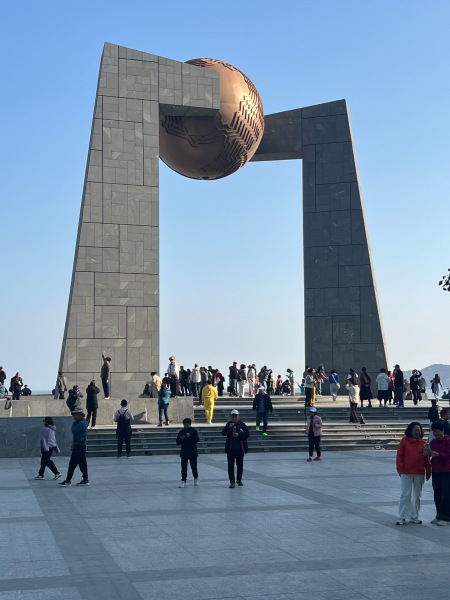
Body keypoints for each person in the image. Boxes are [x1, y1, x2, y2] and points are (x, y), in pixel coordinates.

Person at [395, 422, 431, 525]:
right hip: (406, 472)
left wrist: (428, 471)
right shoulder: (404, 441)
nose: (417, 432)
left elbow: (427, 459)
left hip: (419, 472)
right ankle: (401, 517)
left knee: (417, 495)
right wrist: (399, 467)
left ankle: (414, 516)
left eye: (418, 430)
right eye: (415, 430)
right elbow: (399, 455)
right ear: (410, 431)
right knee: (405, 494)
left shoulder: (423, 443)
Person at [425, 421, 450, 525]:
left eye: (437, 431)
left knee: (446, 495)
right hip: (436, 471)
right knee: (437, 493)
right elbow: (429, 455)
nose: (435, 433)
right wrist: (427, 452)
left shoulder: (448, 441)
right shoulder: (433, 442)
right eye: (434, 431)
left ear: (442, 430)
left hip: (447, 471)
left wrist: (439, 455)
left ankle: (447, 518)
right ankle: (439, 515)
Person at [59, 408, 89, 486]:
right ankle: (85, 479)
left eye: (75, 415)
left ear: (80, 415)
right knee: (82, 463)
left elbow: (74, 431)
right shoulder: (80, 423)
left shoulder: (81, 424)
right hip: (80, 446)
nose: (74, 417)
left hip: (79, 446)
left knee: (72, 464)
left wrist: (74, 425)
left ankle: (68, 480)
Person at [222, 410, 249, 488]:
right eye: (233, 416)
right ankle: (232, 482)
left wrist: (239, 434)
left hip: (240, 449)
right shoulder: (229, 424)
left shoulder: (242, 425)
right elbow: (223, 433)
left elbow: (247, 434)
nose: (234, 418)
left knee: (240, 465)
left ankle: (239, 480)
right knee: (230, 466)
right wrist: (228, 427)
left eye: (236, 416)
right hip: (231, 449)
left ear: (238, 416)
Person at [176, 418, 199, 488]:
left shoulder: (194, 431)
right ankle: (183, 480)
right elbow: (177, 442)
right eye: (184, 425)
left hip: (192, 451)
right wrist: (181, 438)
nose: (185, 426)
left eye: (186, 425)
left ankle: (195, 478)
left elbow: (196, 440)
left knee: (194, 466)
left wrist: (190, 436)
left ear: (189, 424)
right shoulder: (181, 431)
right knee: (183, 467)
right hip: (184, 451)